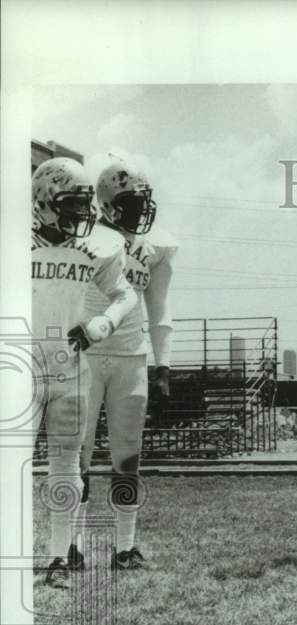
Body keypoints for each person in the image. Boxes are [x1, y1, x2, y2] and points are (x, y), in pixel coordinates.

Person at [31, 157, 137, 588]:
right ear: (43, 201)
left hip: (70, 364)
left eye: (83, 205)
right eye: (70, 204)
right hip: (21, 362)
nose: (80, 214)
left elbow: (124, 293)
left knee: (66, 462)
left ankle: (58, 557)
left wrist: (102, 324)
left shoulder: (98, 246)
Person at [75, 160, 177, 570]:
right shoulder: (86, 238)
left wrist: (164, 365)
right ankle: (71, 546)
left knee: (128, 457)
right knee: (76, 456)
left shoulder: (155, 247)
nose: (142, 209)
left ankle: (125, 546)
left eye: (144, 200)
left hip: (132, 356)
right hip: (86, 353)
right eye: (133, 201)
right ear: (109, 203)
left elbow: (161, 308)